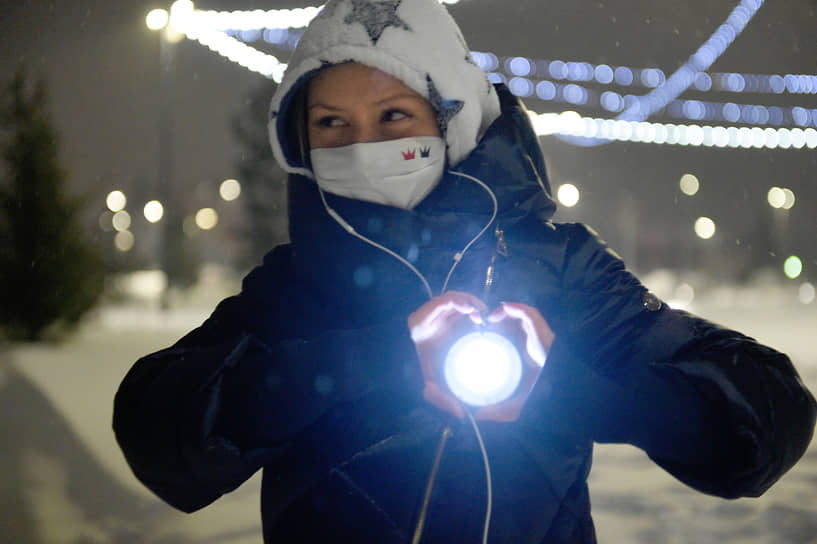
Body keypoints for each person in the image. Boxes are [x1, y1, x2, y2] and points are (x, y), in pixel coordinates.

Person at [113, 0, 817, 542]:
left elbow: (763, 421)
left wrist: (572, 390)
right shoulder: (291, 286)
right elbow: (161, 439)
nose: (363, 145)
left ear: (451, 119)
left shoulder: (558, 265)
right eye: (331, 123)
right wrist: (361, 361)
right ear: (300, 141)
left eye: (393, 114)